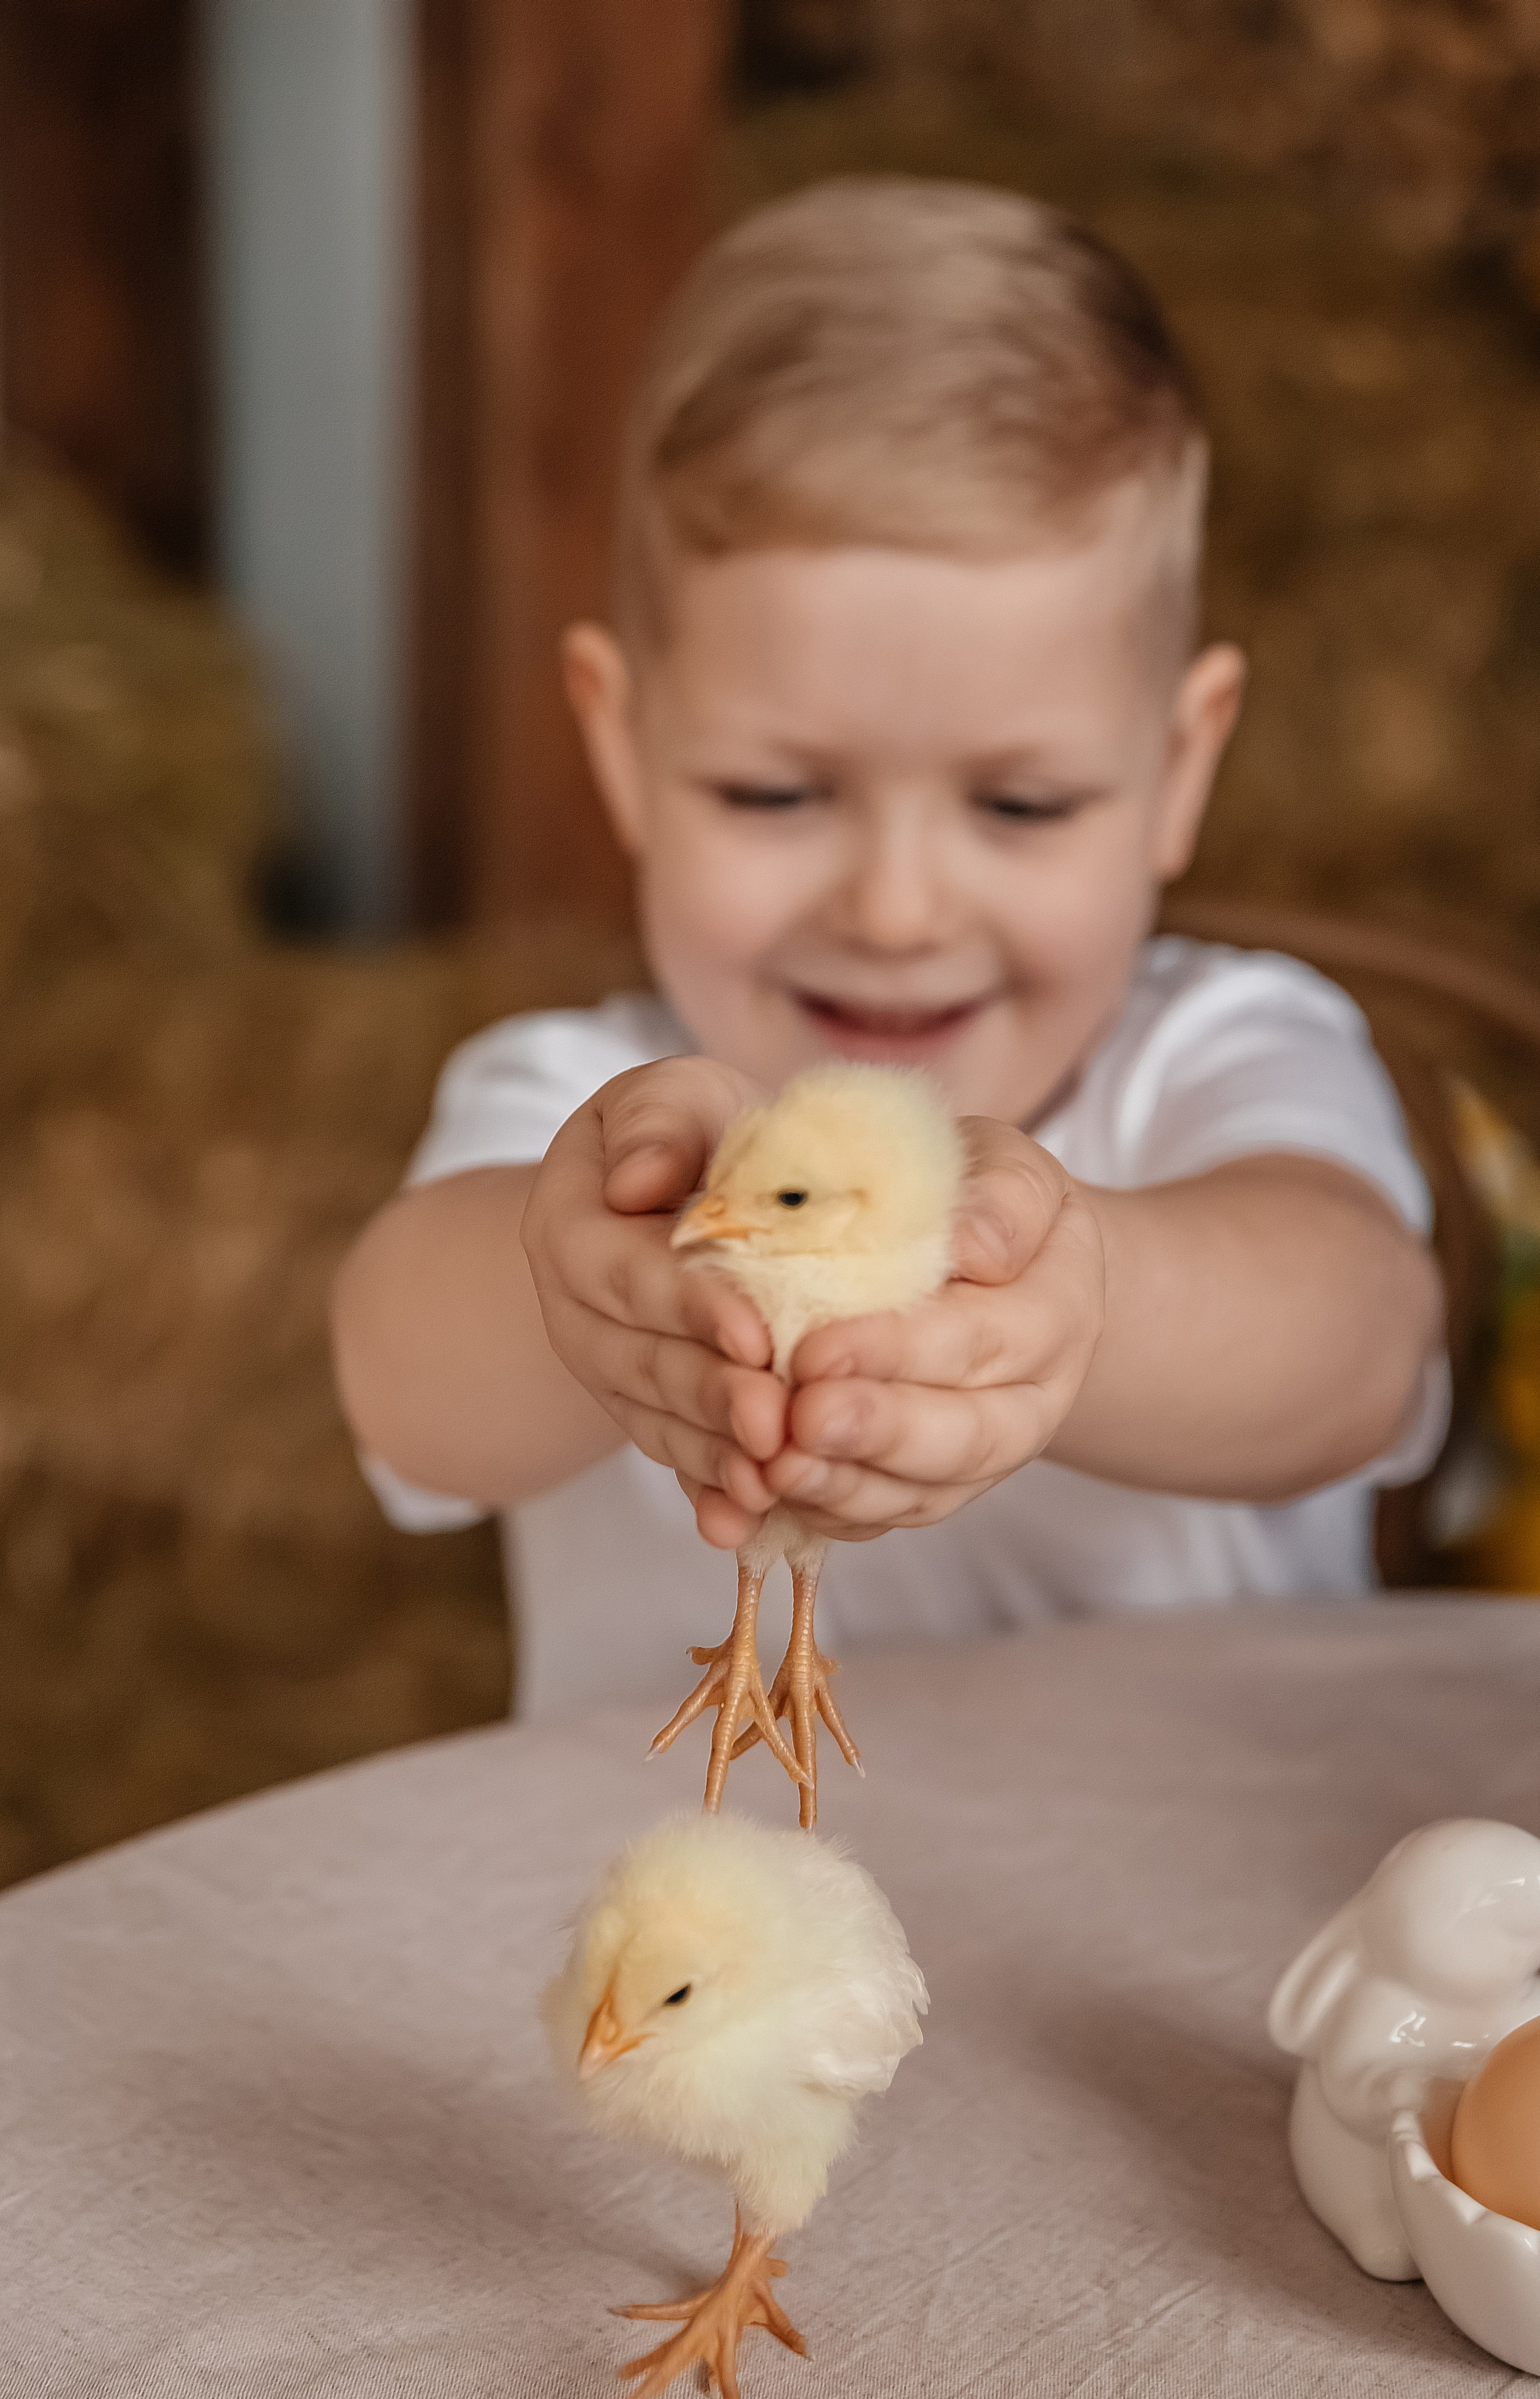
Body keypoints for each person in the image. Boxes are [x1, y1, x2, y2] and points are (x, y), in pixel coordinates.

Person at [333, 177, 1445, 1720]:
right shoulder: (585, 1103)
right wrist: (572, 1275)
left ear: (1178, 769)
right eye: (776, 793)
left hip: (1190, 1925)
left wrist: (1084, 1299)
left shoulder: (1224, 1051)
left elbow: (1357, 1346)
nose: (897, 910)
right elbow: (398, 1377)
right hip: (701, 1938)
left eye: (1019, 801)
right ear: (622, 744)